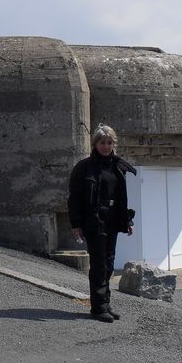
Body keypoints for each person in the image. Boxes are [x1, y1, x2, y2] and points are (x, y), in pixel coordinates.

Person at [67, 124, 137, 323]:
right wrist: (76, 224)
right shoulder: (84, 167)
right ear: (95, 144)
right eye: (102, 142)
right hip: (94, 220)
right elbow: (74, 197)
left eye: (109, 142)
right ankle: (97, 307)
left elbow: (121, 197)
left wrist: (127, 220)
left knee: (109, 264)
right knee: (98, 264)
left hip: (113, 219)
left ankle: (105, 303)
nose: (106, 146)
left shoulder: (117, 166)